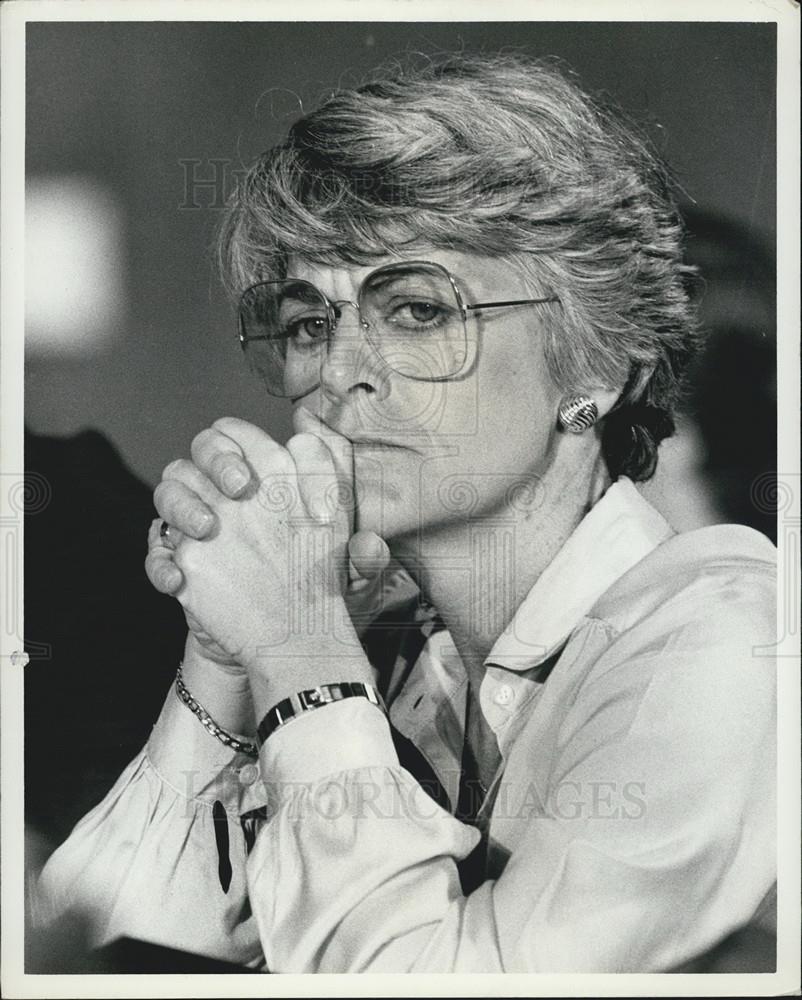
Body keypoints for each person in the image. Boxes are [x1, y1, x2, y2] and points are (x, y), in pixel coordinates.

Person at [32, 53, 777, 973]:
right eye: (310, 322)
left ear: (593, 368)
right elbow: (96, 962)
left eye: (418, 311)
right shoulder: (393, 658)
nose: (343, 370)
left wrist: (297, 645)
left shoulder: (726, 638)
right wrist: (226, 658)